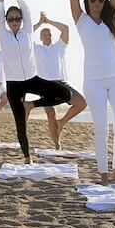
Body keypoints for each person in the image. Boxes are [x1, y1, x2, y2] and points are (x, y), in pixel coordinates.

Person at [0, 0, 74, 164]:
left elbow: (25, 7)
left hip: (32, 78)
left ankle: (32, 104)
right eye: (11, 19)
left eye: (17, 19)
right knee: (20, 121)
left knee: (65, 94)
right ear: (6, 21)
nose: (14, 22)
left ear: (22, 20)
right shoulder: (3, 34)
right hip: (14, 84)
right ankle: (27, 156)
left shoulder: (28, 31)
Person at [70, 0, 115, 184]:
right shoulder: (80, 20)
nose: (96, 3)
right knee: (101, 129)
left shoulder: (110, 18)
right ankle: (103, 175)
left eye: (100, 0)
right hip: (92, 81)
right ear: (87, 2)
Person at [31, 12, 88, 149]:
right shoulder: (36, 49)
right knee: (51, 114)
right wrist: (39, 23)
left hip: (61, 84)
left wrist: (48, 21)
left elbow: (65, 29)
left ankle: (62, 122)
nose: (47, 36)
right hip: (45, 86)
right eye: (44, 35)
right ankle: (57, 144)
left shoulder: (59, 47)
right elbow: (25, 34)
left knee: (81, 103)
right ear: (40, 37)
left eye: (49, 34)